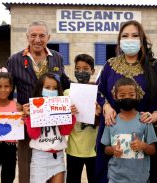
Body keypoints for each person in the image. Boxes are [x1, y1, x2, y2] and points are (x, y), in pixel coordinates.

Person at [95, 20, 157, 183]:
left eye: (134, 35)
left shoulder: (155, 66)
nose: (129, 39)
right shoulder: (109, 66)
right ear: (119, 40)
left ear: (142, 40)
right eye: (125, 36)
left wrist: (156, 114)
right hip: (113, 131)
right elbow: (97, 90)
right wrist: (106, 105)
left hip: (145, 132)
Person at [7, 20, 71, 183]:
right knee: (26, 166)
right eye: (33, 35)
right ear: (27, 37)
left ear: (48, 37)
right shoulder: (15, 60)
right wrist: (20, 110)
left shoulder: (57, 57)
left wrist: (86, 94)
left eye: (42, 35)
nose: (37, 39)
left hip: (53, 124)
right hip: (28, 121)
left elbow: (64, 83)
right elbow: (7, 91)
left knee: (54, 165)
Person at [22, 73, 77, 183]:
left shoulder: (61, 106)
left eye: (55, 88)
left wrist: (70, 116)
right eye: (47, 88)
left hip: (58, 156)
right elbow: (34, 135)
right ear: (40, 89)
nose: (51, 90)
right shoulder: (33, 108)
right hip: (40, 158)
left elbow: (65, 131)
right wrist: (29, 117)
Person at [101, 77, 157, 183]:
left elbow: (153, 150)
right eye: (122, 95)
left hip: (140, 179)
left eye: (131, 95)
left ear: (137, 95)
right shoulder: (111, 121)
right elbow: (106, 149)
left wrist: (143, 146)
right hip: (115, 178)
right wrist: (113, 150)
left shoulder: (144, 120)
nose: (127, 98)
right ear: (115, 97)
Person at [66, 54, 101, 183]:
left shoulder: (99, 94)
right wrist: (67, 113)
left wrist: (98, 114)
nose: (81, 72)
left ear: (92, 71)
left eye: (85, 69)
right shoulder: (67, 93)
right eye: (78, 68)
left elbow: (105, 119)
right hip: (74, 149)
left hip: (94, 150)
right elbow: (62, 121)